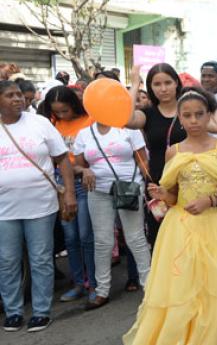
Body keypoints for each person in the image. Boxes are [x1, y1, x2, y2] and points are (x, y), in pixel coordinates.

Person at [123, 88, 217, 344]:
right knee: (184, 290)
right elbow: (173, 197)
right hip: (182, 228)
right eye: (187, 115)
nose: (193, 120)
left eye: (199, 114)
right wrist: (163, 193)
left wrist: (212, 200)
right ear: (179, 119)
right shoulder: (173, 151)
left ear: (209, 116)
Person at [0, 80, 77, 332]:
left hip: (41, 205)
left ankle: (41, 311)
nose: (18, 99)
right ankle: (13, 311)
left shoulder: (40, 123)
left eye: (19, 94)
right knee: (7, 260)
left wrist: (69, 195)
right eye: (10, 95)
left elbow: (62, 159)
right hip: (4, 209)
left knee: (41, 259)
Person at [127, 63, 217, 245]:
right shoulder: (147, 114)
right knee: (164, 240)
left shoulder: (190, 113)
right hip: (160, 183)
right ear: (150, 87)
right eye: (156, 84)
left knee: (194, 240)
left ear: (176, 83)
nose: (163, 89)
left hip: (192, 182)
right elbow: (126, 119)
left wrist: (206, 100)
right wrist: (134, 84)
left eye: (168, 82)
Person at [72, 118, 152, 311]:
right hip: (97, 190)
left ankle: (149, 286)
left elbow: (142, 160)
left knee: (136, 238)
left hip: (129, 188)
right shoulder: (84, 133)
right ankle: (102, 291)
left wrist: (150, 185)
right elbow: (76, 166)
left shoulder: (128, 129)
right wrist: (84, 170)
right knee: (102, 241)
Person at [37, 86, 97, 303]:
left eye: (65, 110)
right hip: (60, 185)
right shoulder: (52, 125)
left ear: (73, 104)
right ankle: (79, 282)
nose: (62, 115)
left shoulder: (89, 121)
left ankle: (95, 283)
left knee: (86, 236)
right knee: (70, 238)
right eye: (57, 112)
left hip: (84, 183)